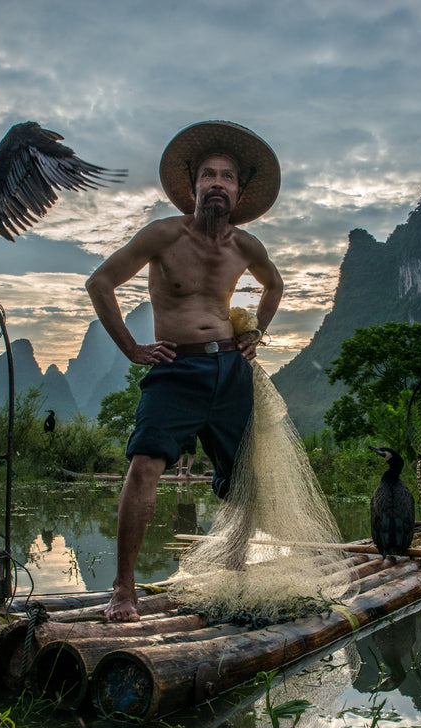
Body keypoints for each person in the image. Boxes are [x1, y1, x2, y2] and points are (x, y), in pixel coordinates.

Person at [85, 120, 284, 622]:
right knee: (144, 465)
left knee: (242, 478)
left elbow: (274, 287)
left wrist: (254, 332)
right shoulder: (163, 234)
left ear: (239, 191)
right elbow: (100, 283)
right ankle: (124, 591)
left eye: (228, 177)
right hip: (177, 368)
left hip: (230, 370)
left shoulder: (246, 246)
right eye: (209, 175)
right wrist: (131, 348)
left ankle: (234, 576)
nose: (218, 183)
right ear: (193, 185)